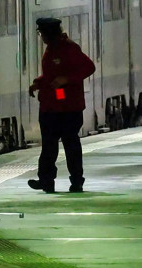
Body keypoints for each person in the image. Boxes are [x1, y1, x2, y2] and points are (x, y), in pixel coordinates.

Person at [27, 17, 96, 194]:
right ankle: (46, 180)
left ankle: (77, 181)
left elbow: (89, 67)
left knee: (70, 144)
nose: (41, 37)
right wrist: (38, 83)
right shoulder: (51, 50)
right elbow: (51, 76)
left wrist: (67, 79)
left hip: (68, 107)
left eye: (42, 33)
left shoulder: (70, 49)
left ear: (49, 33)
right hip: (50, 106)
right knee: (49, 146)